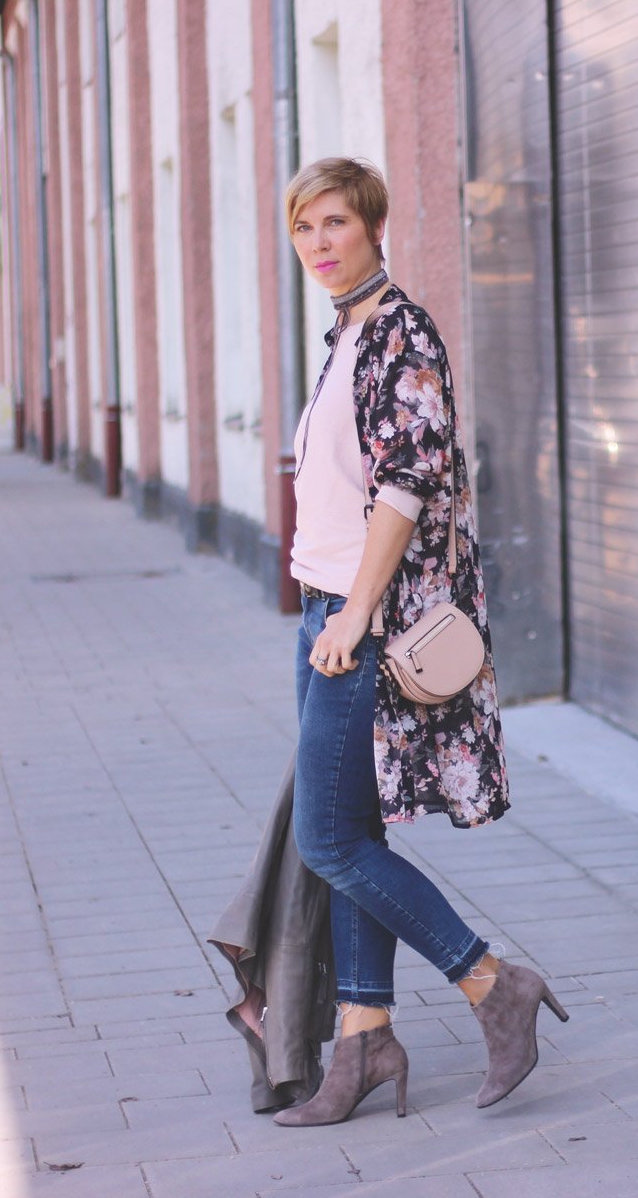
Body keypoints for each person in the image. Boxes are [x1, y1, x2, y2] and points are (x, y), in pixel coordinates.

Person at [267, 157, 566, 1128]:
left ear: (374, 225)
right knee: (353, 832)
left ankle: (492, 985)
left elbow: (406, 484)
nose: (319, 243)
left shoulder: (401, 331)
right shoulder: (346, 332)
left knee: (324, 838)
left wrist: (353, 613)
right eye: (305, 226)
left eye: (335, 223)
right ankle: (364, 1042)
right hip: (325, 615)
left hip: (367, 625)